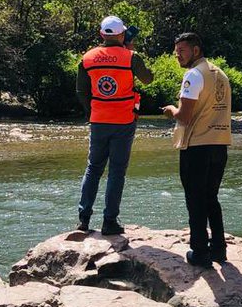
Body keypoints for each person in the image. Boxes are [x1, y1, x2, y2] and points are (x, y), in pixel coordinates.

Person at [75, 15, 154, 236]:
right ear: (122, 34)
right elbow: (148, 79)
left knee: (93, 168)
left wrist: (91, 111)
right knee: (116, 172)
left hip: (99, 119)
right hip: (124, 120)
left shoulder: (87, 58)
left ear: (101, 34)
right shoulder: (131, 57)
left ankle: (83, 220)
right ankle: (109, 221)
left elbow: (81, 91)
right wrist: (131, 51)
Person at [162, 32, 231, 268]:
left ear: (196, 50)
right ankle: (219, 250)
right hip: (219, 144)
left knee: (195, 199)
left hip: (197, 146)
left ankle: (200, 252)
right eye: (176, 51)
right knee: (211, 197)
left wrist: (171, 110)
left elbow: (184, 116)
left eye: (181, 51)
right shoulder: (220, 73)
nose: (177, 55)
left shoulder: (193, 75)